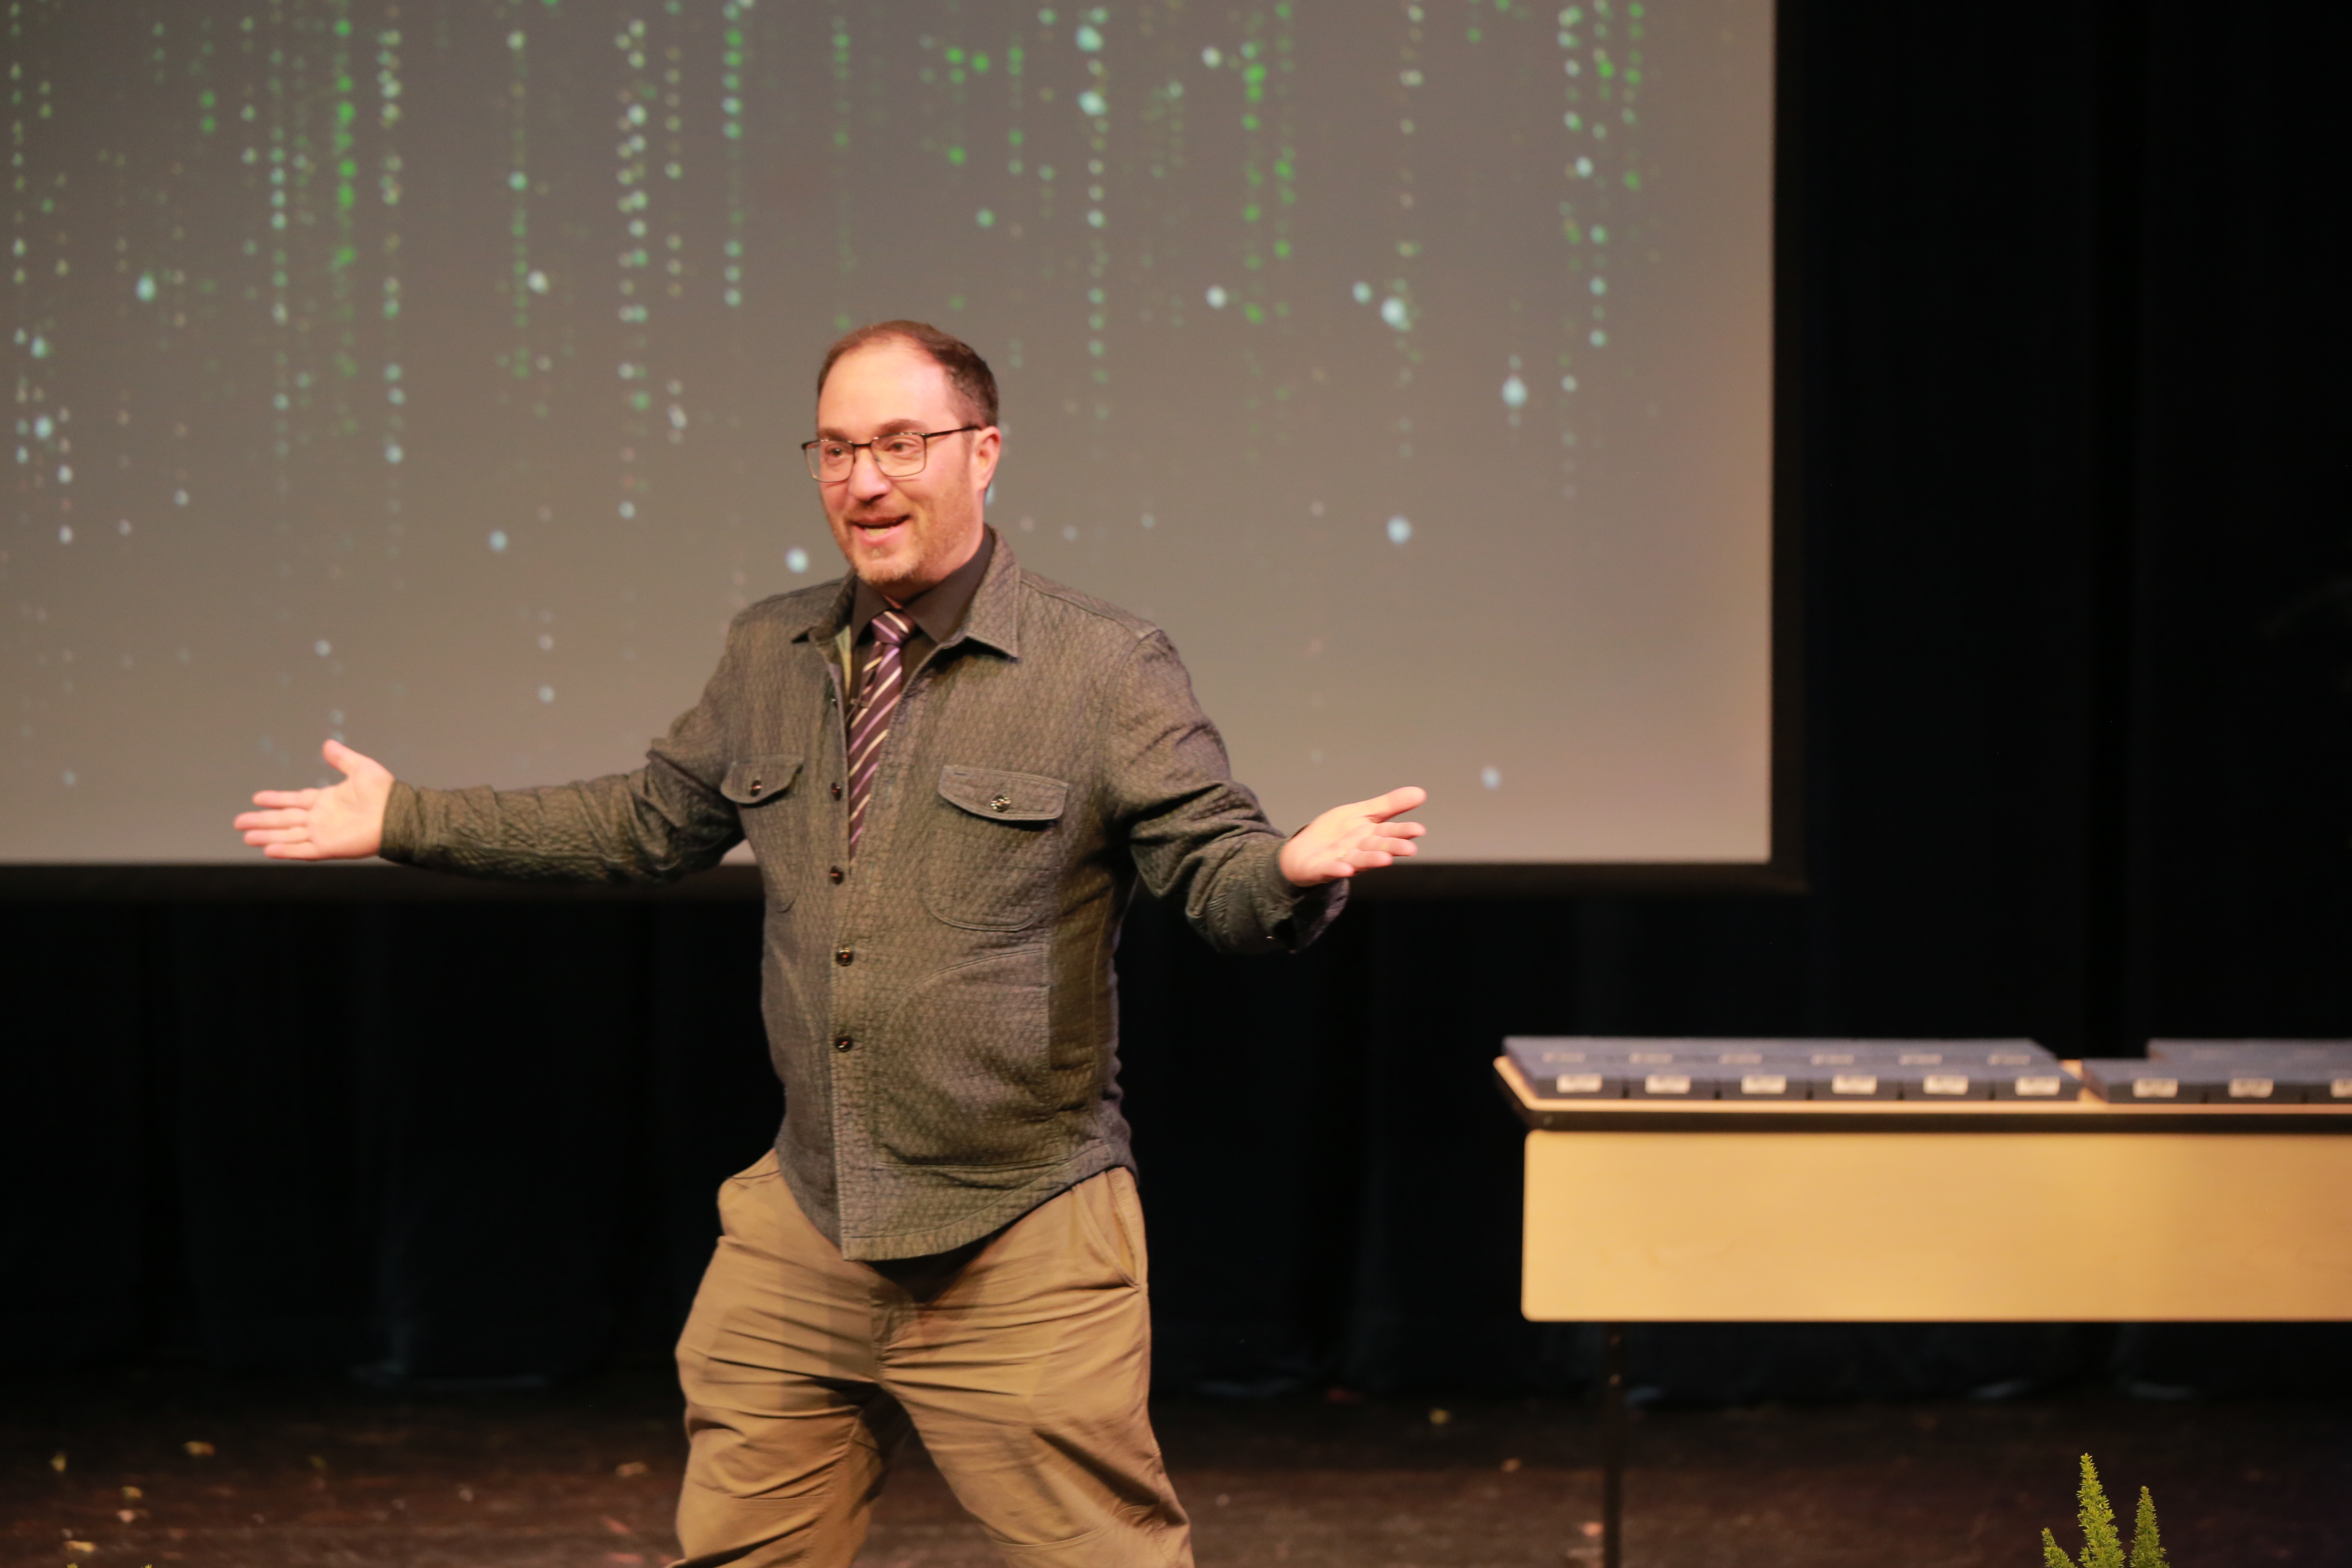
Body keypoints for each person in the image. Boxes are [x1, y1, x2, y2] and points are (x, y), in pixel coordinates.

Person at [233, 320, 1426, 1567]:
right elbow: (645, 821)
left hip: (1016, 1234)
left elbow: (1215, 867)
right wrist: (406, 819)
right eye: (838, 450)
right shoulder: (774, 650)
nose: (865, 482)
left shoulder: (1103, 667)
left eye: (902, 444)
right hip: (808, 1222)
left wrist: (1287, 870)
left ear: (984, 453)